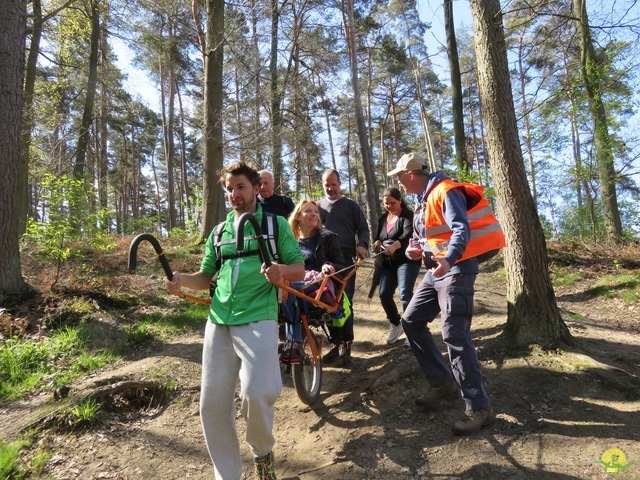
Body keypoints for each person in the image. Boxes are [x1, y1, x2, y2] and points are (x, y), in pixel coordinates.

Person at [164, 161, 304, 480]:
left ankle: (262, 454)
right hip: (219, 319)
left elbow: (297, 268)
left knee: (256, 393)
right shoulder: (219, 231)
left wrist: (280, 271)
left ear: (256, 188)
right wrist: (181, 279)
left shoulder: (275, 225)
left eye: (240, 186)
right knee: (212, 405)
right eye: (229, 188)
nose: (234, 193)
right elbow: (205, 276)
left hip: (259, 316)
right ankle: (227, 475)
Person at [389, 152, 505, 436]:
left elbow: (460, 229)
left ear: (411, 175)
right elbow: (426, 237)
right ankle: (443, 382)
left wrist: (449, 259)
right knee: (411, 321)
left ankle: (479, 407)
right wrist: (414, 249)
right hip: (435, 271)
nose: (399, 183)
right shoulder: (422, 200)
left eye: (399, 177)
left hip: (456, 269)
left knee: (455, 334)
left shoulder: (446, 190)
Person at [281, 199, 346, 361]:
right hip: (294, 283)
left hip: (319, 284)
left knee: (288, 291)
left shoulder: (327, 237)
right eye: (308, 211)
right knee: (282, 289)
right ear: (298, 217)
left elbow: (341, 266)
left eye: (316, 211)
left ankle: (293, 341)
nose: (314, 214)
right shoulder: (289, 241)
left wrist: (329, 266)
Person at [317, 169, 370, 364]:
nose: (330, 188)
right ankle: (335, 343)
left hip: (346, 260)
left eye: (334, 184)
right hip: (324, 263)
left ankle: (346, 344)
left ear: (339, 183)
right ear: (322, 184)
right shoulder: (317, 206)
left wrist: (362, 245)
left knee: (344, 301)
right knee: (327, 302)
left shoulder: (351, 205)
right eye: (326, 185)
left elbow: (363, 229)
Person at [371, 187, 421, 345]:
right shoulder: (383, 218)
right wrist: (377, 243)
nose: (389, 206)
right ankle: (396, 323)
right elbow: (379, 236)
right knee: (384, 293)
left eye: (392, 203)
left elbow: (408, 235)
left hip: (406, 259)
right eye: (386, 203)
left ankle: (412, 329)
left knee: (405, 293)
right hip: (387, 262)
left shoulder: (408, 215)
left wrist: (395, 246)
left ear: (400, 200)